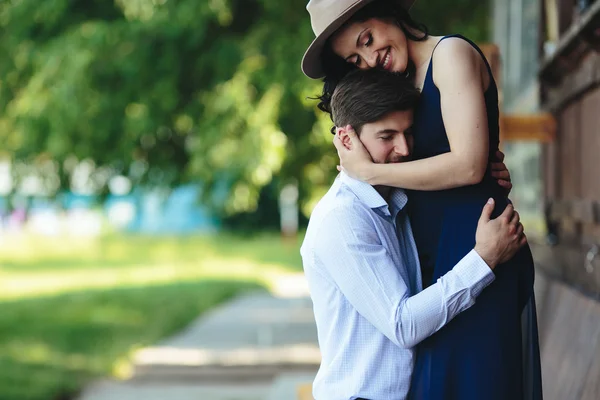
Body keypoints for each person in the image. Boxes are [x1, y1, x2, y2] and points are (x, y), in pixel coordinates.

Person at [301, 0, 542, 399]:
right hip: (429, 264)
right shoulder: (394, 86)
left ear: (386, 9)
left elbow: (467, 165)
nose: (368, 58)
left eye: (367, 39)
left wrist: (371, 172)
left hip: (477, 243)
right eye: (355, 58)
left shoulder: (449, 55)